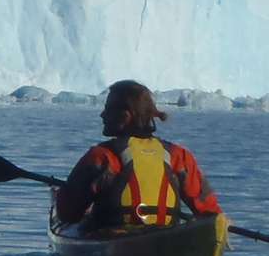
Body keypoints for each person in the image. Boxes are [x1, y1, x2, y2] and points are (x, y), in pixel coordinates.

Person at [51, 80, 221, 232]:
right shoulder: (179, 156)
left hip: (112, 242)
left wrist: (60, 196)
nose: (102, 115)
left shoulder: (102, 157)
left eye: (108, 109)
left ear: (125, 116)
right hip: (164, 239)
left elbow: (68, 214)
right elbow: (210, 213)